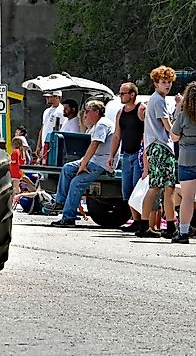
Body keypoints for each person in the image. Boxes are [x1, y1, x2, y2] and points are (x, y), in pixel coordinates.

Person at [45, 100, 116, 227]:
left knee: (76, 183)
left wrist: (83, 164)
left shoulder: (102, 124)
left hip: (101, 163)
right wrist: (83, 162)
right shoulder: (96, 126)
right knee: (67, 168)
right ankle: (60, 202)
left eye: (88, 111)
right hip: (94, 160)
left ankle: (68, 218)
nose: (86, 114)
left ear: (96, 112)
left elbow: (95, 144)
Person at [136, 66, 180, 238]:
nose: (167, 85)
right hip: (161, 146)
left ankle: (151, 225)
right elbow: (168, 127)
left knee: (160, 187)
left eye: (168, 82)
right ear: (156, 84)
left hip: (154, 146)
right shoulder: (159, 100)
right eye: (163, 82)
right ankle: (162, 226)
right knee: (163, 187)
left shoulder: (155, 99)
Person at [108, 82, 146, 232]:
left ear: (132, 94)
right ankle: (135, 219)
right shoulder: (120, 112)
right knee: (127, 190)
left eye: (123, 93)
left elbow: (149, 130)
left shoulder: (141, 109)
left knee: (138, 188)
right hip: (126, 154)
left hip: (139, 154)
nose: (120, 96)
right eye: (120, 93)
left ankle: (141, 221)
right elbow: (117, 135)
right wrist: (112, 155)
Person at [170, 81, 196, 243]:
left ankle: (184, 233)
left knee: (187, 197)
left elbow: (174, 137)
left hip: (187, 159)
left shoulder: (184, 116)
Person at [35, 90, 65, 163]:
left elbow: (61, 128)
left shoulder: (61, 110)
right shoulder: (46, 111)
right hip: (44, 144)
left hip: (52, 145)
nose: (47, 99)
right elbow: (43, 127)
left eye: (49, 97)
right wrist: (38, 145)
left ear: (56, 97)